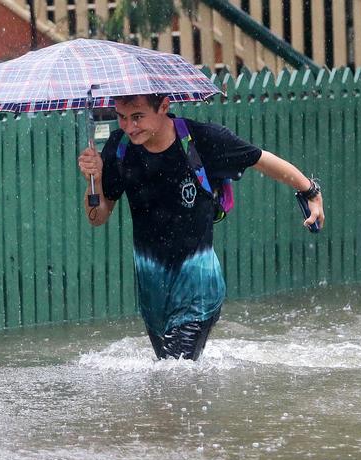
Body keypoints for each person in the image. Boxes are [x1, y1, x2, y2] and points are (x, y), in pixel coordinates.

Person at [77, 93, 325, 361]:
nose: (129, 126)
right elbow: (97, 217)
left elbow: (261, 160)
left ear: (163, 106)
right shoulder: (120, 147)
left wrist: (310, 191)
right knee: (171, 375)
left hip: (198, 289)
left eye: (137, 117)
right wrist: (96, 180)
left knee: (174, 375)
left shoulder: (201, 140)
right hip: (153, 292)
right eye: (122, 118)